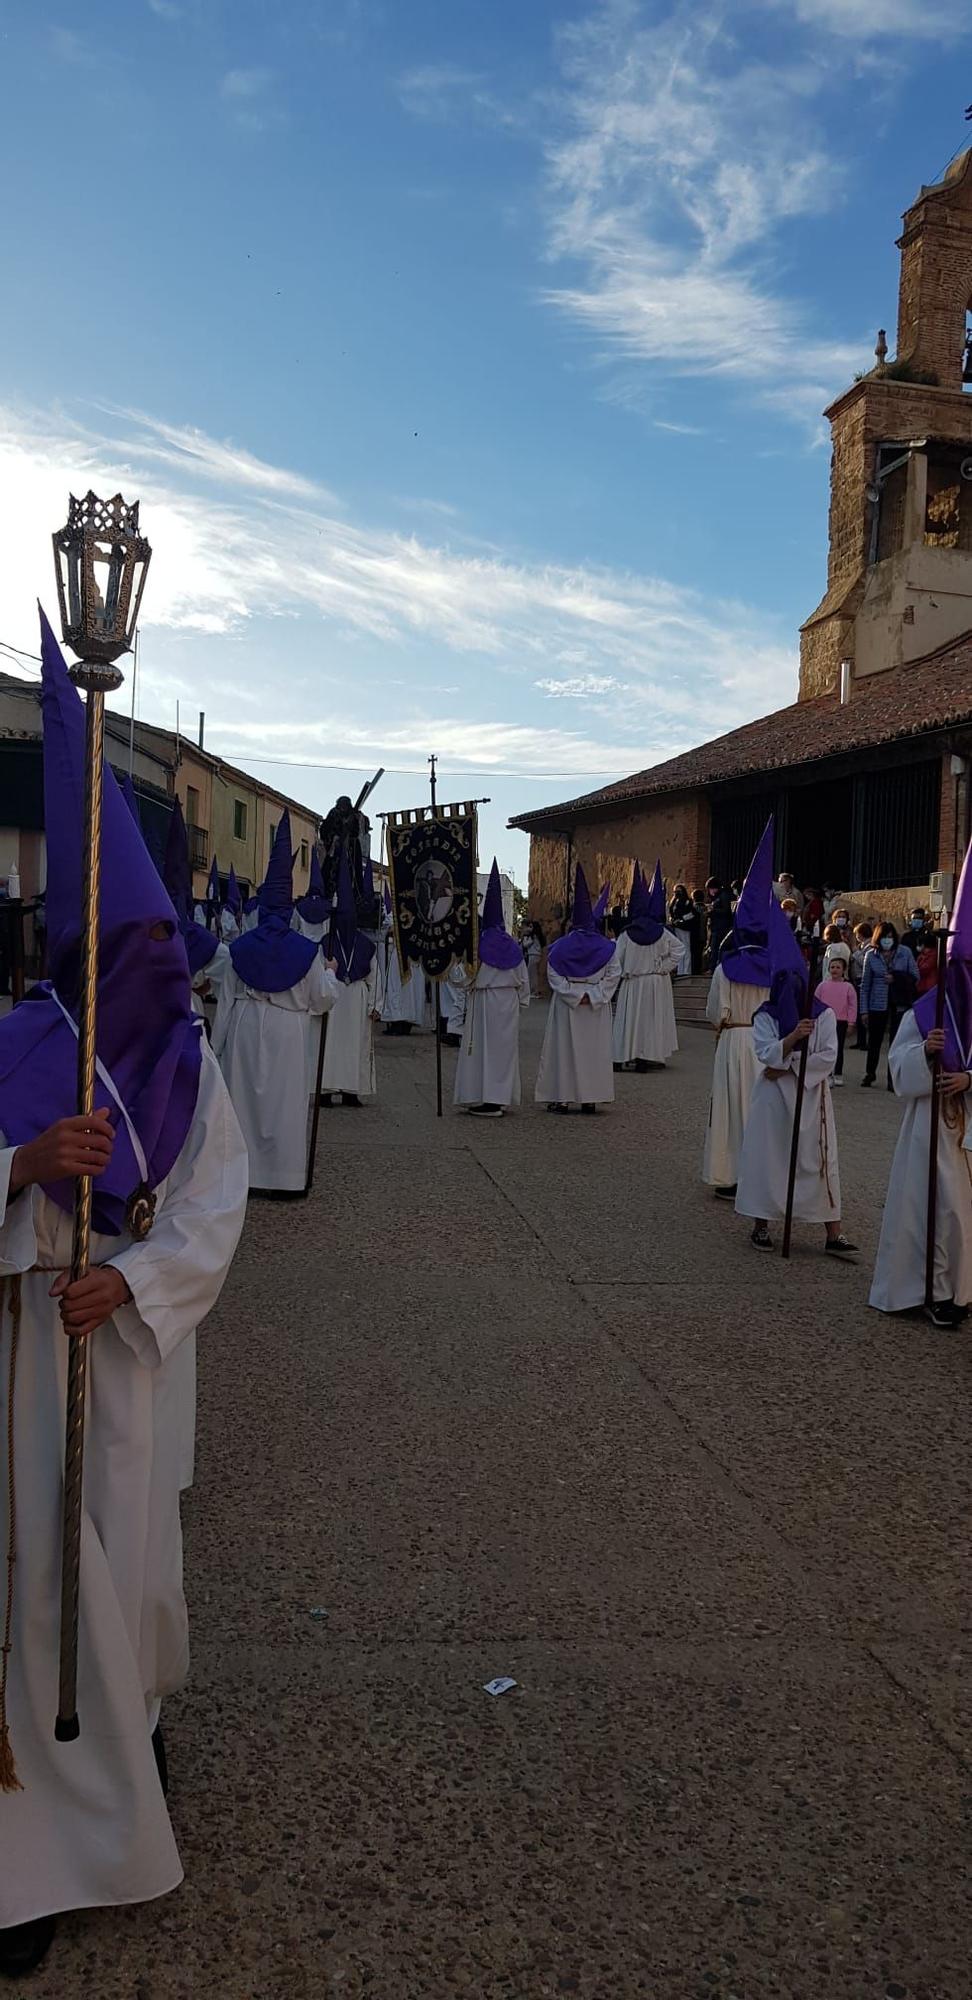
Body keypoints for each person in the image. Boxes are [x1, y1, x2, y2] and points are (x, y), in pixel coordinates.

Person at [0, 613, 248, 1978]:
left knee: (123, 1573)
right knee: (34, 1591)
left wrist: (132, 1279)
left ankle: (124, 1750)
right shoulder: (16, 1051)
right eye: (106, 946)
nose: (129, 972)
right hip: (19, 1360)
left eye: (145, 946)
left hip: (129, 1359)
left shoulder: (192, 1074)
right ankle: (37, 1840)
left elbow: (213, 1215)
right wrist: (24, 1168)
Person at [870, 844, 972, 1328]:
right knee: (929, 1207)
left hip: (966, 1122)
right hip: (928, 1126)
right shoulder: (926, 1010)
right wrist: (926, 1054)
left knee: (960, 1212)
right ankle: (921, 1287)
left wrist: (968, 1077)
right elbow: (897, 1065)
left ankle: (959, 1290)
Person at [213, 811, 340, 1192]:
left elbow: (225, 1002)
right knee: (285, 1104)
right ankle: (284, 1178)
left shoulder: (240, 948)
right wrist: (331, 973)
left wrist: (217, 1048)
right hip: (288, 1030)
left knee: (244, 1101)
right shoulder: (306, 951)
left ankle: (244, 1177)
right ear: (289, 911)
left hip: (246, 1026)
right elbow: (321, 1000)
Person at [735, 959, 855, 1256]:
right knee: (769, 1157)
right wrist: (792, 1038)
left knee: (819, 1158)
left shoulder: (823, 1015)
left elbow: (827, 1057)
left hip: (811, 1095)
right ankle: (760, 1224)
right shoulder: (765, 1015)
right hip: (773, 1098)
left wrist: (788, 1064)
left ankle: (833, 1232)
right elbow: (765, 1052)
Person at [702, 818, 775, 1199]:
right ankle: (759, 1175)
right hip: (765, 1044)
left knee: (731, 1110)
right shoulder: (777, 967)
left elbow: (716, 1011)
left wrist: (723, 1023)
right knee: (760, 1110)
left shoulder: (726, 968)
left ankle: (728, 1176)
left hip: (732, 1041)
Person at [535, 865, 621, 1114]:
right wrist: (593, 995)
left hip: (567, 1005)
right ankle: (589, 1098)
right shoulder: (608, 947)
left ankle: (561, 1098)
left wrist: (573, 995)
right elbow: (615, 973)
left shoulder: (559, 947)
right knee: (592, 1051)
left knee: (563, 1050)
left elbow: (552, 974)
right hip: (595, 1006)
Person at [454, 860, 530, 1118]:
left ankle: (485, 1097)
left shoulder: (478, 944)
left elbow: (464, 978)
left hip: (484, 1002)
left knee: (483, 1051)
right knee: (503, 1051)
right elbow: (523, 979)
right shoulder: (513, 946)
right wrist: (521, 1001)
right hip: (507, 1003)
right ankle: (500, 1099)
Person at [320, 850, 378, 1108]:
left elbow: (373, 976)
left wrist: (374, 1004)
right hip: (335, 997)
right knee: (331, 1044)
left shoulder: (365, 946)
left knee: (356, 1045)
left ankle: (352, 1090)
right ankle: (326, 1088)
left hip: (355, 996)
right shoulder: (326, 943)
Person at [612, 862, 681, 1072]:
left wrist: (621, 973)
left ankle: (620, 1057)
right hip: (653, 981)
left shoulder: (625, 935)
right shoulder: (663, 934)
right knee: (648, 1021)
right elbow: (680, 951)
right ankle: (643, 1058)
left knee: (627, 1021)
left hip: (631, 982)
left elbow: (615, 959)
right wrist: (663, 967)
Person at [860, 922, 917, 1089]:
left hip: (898, 1002)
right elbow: (865, 984)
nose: (888, 940)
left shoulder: (904, 953)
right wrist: (864, 1010)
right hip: (877, 1003)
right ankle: (870, 1073)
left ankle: (893, 1078)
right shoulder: (871, 955)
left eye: (891, 937)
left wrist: (897, 977)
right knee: (874, 1041)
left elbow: (915, 975)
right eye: (885, 937)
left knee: (896, 1042)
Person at [815, 955, 857, 1084]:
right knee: (823, 1047)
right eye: (832, 967)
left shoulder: (848, 987)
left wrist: (851, 1022)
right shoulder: (822, 986)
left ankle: (838, 1073)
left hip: (841, 1021)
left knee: (837, 1048)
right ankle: (825, 1073)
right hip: (823, 1021)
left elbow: (852, 1005)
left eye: (838, 967)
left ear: (844, 970)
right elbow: (815, 1002)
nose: (835, 969)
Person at [293, 849, 330, 943]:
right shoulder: (328, 908)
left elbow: (293, 928)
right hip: (321, 950)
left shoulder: (300, 906)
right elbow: (329, 931)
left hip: (302, 947)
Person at [850, 921, 872, 1050]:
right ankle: (860, 1040)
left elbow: (864, 962)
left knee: (864, 1011)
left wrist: (855, 952)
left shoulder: (869, 947)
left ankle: (865, 1041)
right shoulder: (862, 945)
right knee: (859, 1012)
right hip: (857, 979)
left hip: (863, 980)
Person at [705, 880, 733, 971]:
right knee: (713, 948)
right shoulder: (717, 898)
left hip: (721, 927)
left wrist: (713, 911)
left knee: (716, 948)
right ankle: (713, 967)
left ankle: (714, 967)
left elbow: (726, 911)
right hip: (715, 926)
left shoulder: (723, 896)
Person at [521, 918, 545, 999]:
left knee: (531, 974)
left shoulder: (533, 936)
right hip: (537, 955)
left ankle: (533, 991)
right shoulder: (538, 936)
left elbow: (526, 945)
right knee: (533, 974)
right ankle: (534, 990)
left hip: (533, 955)